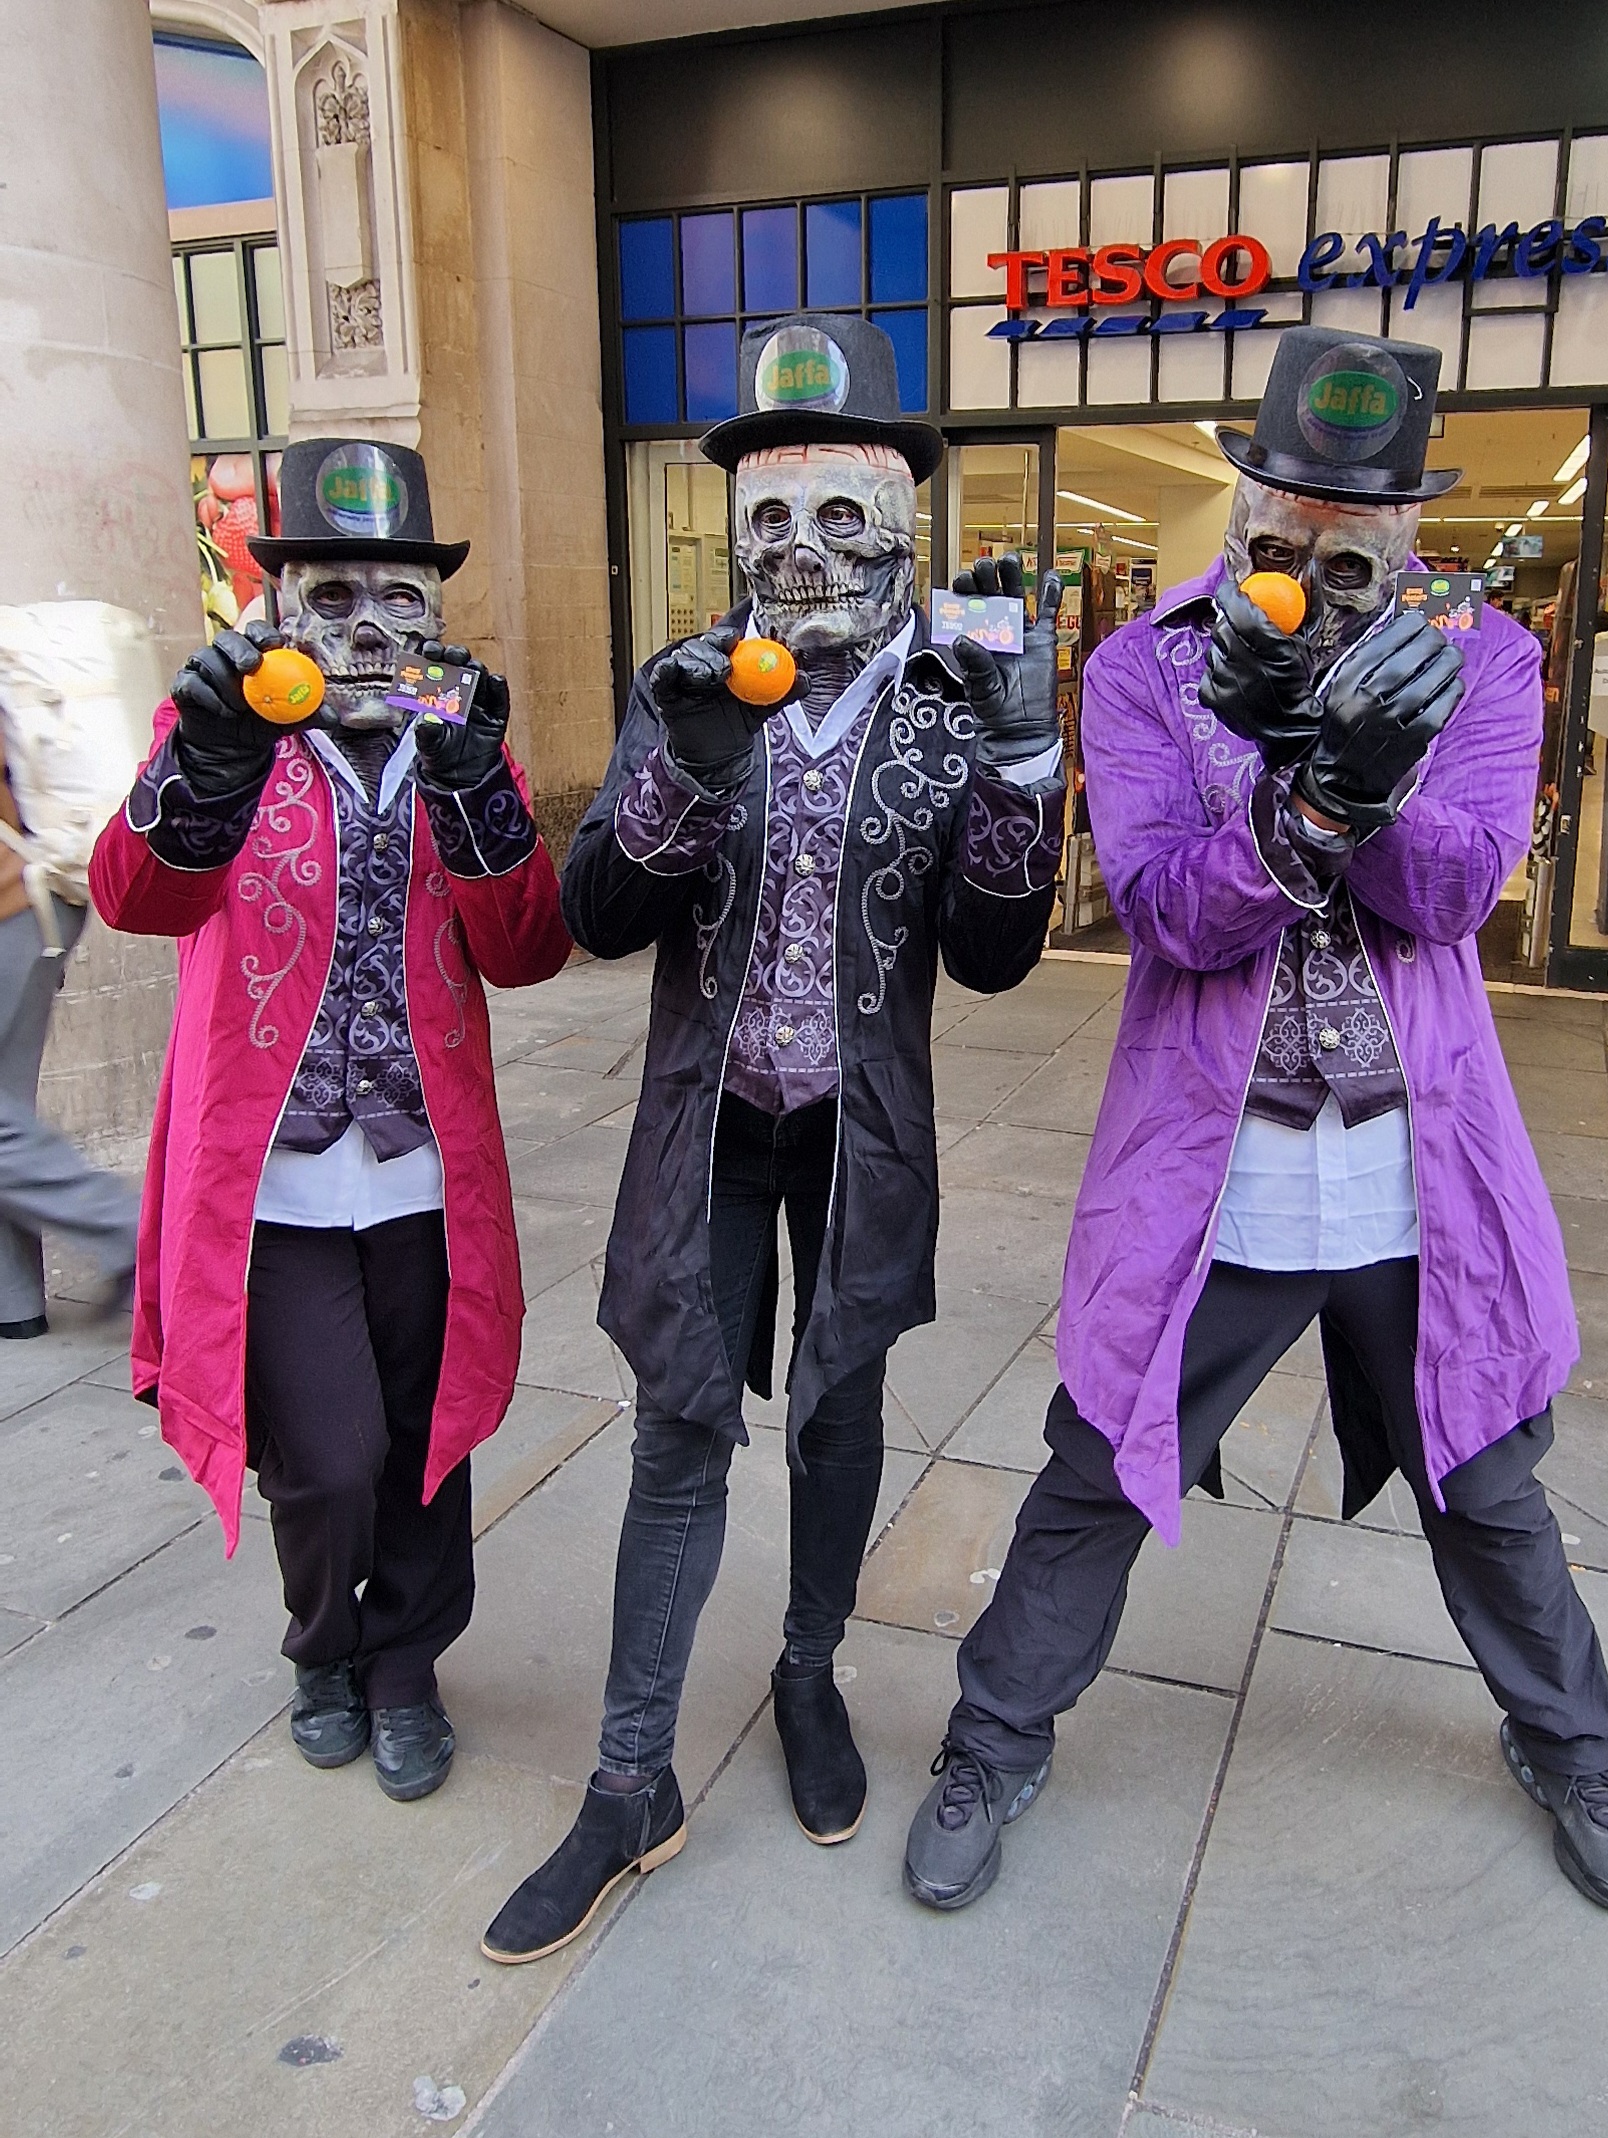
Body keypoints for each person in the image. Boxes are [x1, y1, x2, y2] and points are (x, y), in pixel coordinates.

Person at [901, 327, 1608, 1919]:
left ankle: (1574, 1738)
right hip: (1213, 1168)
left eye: (1347, 537)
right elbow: (1171, 911)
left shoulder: (1490, 661)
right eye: (1278, 528)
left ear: (1405, 535)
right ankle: (994, 1734)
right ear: (1242, 500)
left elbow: (1457, 891)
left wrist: (1360, 776)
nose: (1306, 561)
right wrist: (1296, 796)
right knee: (1097, 1462)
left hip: (1415, 1174)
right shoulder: (1143, 665)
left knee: (1492, 1482)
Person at [484, 313, 1065, 1965]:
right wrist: (680, 767)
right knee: (678, 1425)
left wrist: (1026, 758)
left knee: (838, 1403)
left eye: (837, 521)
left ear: (902, 535)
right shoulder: (687, 685)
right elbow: (596, 910)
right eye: (766, 522)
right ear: (729, 537)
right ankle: (625, 1781)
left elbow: (993, 953)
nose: (798, 552)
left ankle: (807, 1665)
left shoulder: (952, 702)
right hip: (709, 1125)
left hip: (863, 1131)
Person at [90, 439, 570, 1803]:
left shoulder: (455, 741)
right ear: (281, 600)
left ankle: (409, 1660)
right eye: (337, 590)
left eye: (403, 595)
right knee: (331, 1455)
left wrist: (483, 789)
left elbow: (527, 948)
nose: (372, 624)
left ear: (436, 611)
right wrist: (211, 763)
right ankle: (322, 1645)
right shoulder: (227, 730)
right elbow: (137, 897)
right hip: (276, 1189)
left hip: (423, 1175)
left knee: (427, 1434)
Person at [0, 733, 139, 1338]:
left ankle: (133, 1230)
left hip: (13, 904)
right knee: (6, 1114)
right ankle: (14, 1304)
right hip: (31, 901)